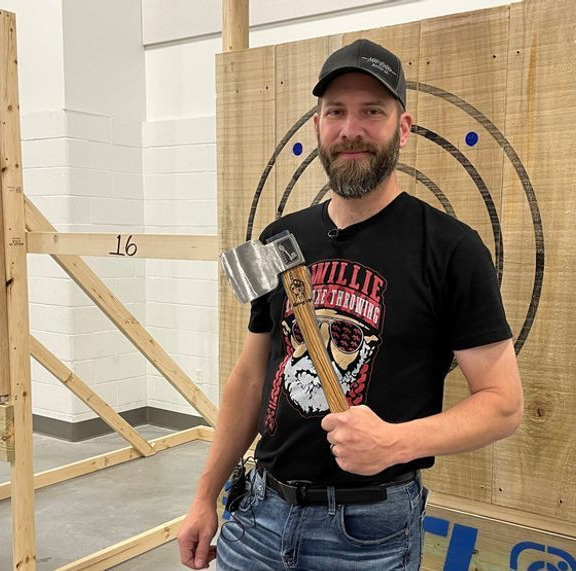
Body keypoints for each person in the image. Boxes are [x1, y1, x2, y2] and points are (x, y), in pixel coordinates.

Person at [179, 38, 523, 570]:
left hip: (368, 535)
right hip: (257, 515)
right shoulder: (279, 239)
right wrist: (205, 494)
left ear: (402, 128)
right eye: (335, 112)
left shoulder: (451, 248)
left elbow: (503, 404)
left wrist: (395, 442)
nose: (350, 130)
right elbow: (251, 376)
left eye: (372, 112)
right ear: (317, 125)